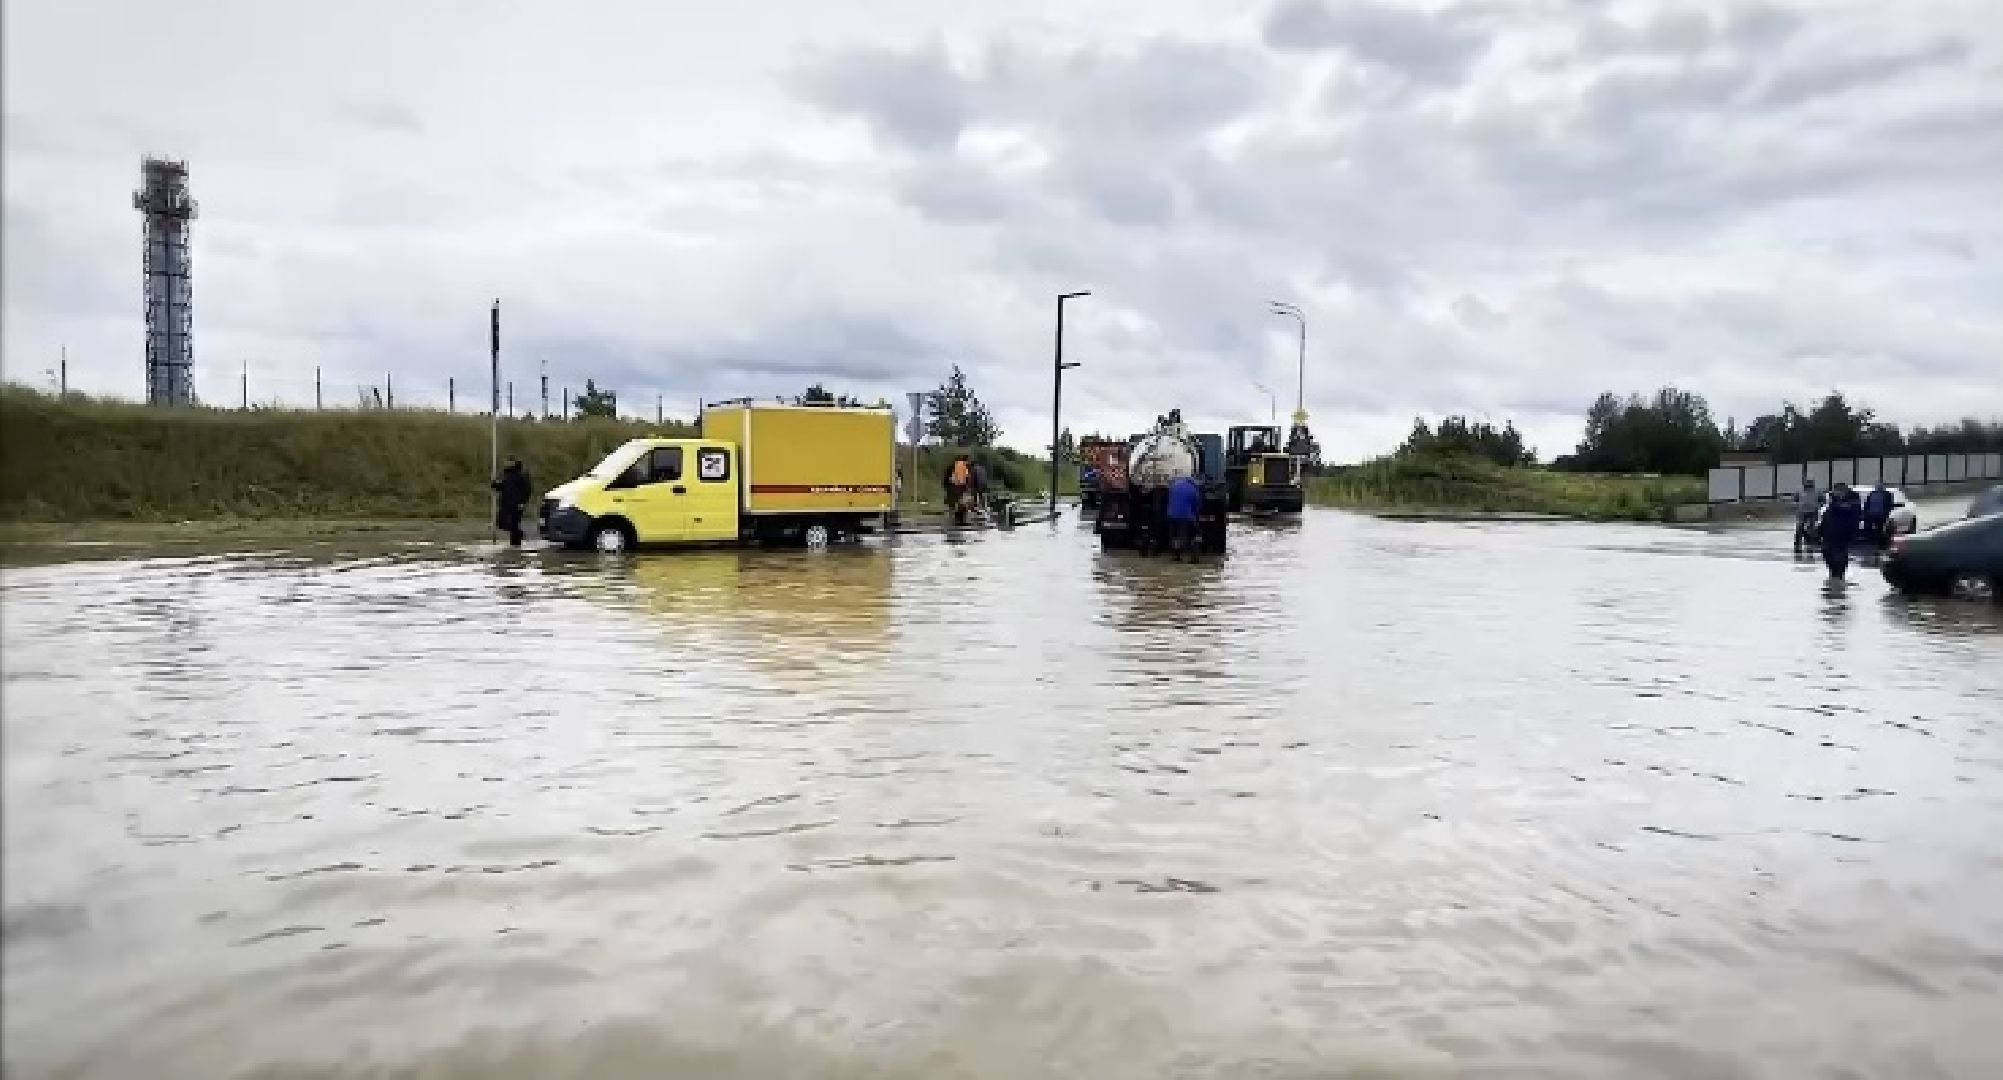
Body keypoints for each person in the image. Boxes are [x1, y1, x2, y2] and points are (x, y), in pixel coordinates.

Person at [1820, 483, 1862, 579]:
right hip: (1829, 533)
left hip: (1843, 534)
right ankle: (1834, 576)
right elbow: (1827, 516)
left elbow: (1852, 515)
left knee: (1840, 556)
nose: (1836, 493)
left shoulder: (1852, 501)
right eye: (1835, 491)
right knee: (1827, 553)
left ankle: (1838, 576)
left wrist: (1853, 533)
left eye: (1838, 491)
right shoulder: (1832, 502)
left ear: (1844, 491)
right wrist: (1821, 530)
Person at [492, 458, 531, 547]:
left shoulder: (522, 476)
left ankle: (515, 544)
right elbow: (504, 486)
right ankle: (518, 535)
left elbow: (527, 491)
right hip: (506, 504)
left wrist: (523, 502)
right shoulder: (508, 475)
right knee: (502, 523)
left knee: (513, 523)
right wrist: (495, 485)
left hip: (517, 505)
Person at [1165, 472, 1203, 561]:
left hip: (1171, 515)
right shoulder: (1194, 490)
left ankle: (1176, 556)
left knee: (1175, 536)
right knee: (1192, 535)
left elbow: (1169, 499)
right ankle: (1194, 557)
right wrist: (1195, 515)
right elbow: (1196, 506)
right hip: (1185, 516)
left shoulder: (1174, 485)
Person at [1793, 478, 1822, 554]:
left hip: (1812, 512)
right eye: (1807, 482)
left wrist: (1818, 506)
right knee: (1799, 528)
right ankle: (1797, 546)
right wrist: (1797, 505)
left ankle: (1809, 546)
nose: (1808, 484)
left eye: (1810, 483)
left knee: (1811, 530)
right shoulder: (1799, 490)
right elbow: (1795, 499)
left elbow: (1822, 500)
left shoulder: (1817, 491)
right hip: (1801, 512)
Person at [1862, 481, 1894, 546]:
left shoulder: (1887, 494)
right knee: (1869, 528)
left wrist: (1887, 513)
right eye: (1878, 486)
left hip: (1881, 515)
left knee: (1880, 529)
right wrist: (1866, 512)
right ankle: (1871, 540)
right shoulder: (1872, 494)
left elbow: (1889, 504)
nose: (1879, 487)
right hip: (1871, 514)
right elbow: (1867, 503)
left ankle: (1880, 542)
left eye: (1880, 486)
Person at [945, 454, 973, 526]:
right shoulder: (964, 466)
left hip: (952, 486)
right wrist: (967, 486)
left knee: (953, 504)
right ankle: (961, 519)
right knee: (962, 503)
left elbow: (947, 476)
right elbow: (967, 477)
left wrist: (946, 486)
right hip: (961, 486)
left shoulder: (952, 466)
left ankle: (953, 519)